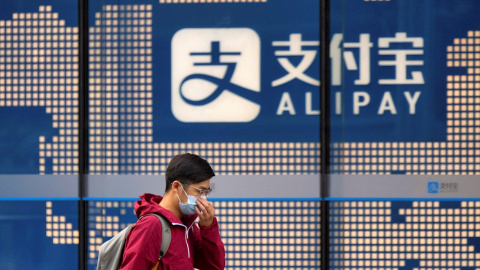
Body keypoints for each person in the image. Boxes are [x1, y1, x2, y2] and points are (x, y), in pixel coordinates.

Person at [120, 153, 225, 270]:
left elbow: (214, 266)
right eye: (200, 191)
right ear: (176, 186)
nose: (203, 198)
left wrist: (208, 228)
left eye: (206, 192)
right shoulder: (151, 226)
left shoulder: (189, 228)